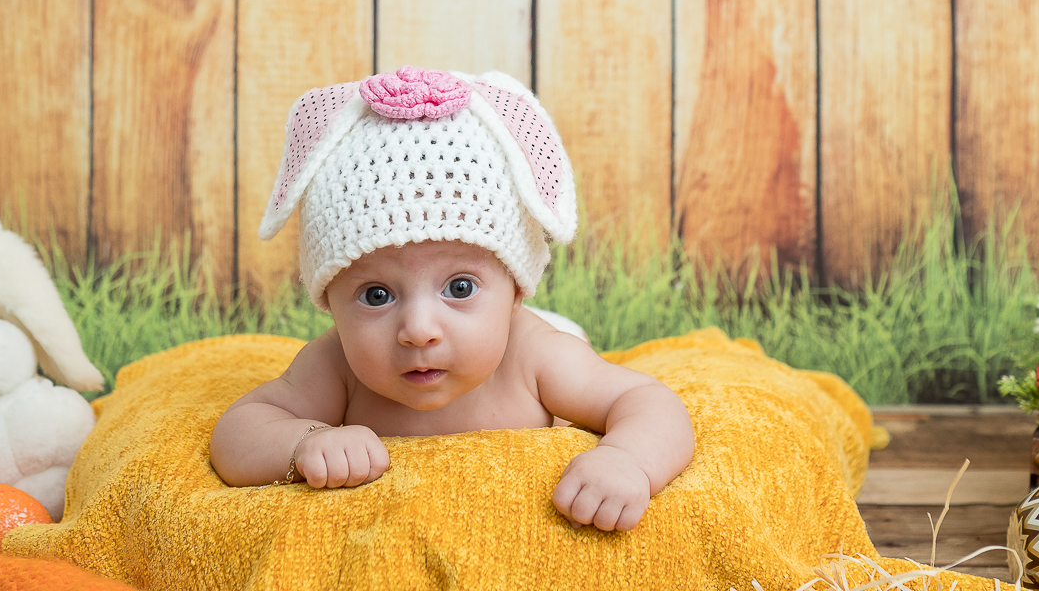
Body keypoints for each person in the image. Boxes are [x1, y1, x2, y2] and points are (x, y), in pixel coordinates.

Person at [210, 66, 694, 532]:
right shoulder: (336, 366)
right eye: (376, 295)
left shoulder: (537, 357)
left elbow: (646, 401)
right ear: (329, 303)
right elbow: (239, 431)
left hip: (551, 333)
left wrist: (626, 459)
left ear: (515, 291)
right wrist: (304, 443)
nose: (419, 329)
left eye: (459, 288)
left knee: (571, 339)